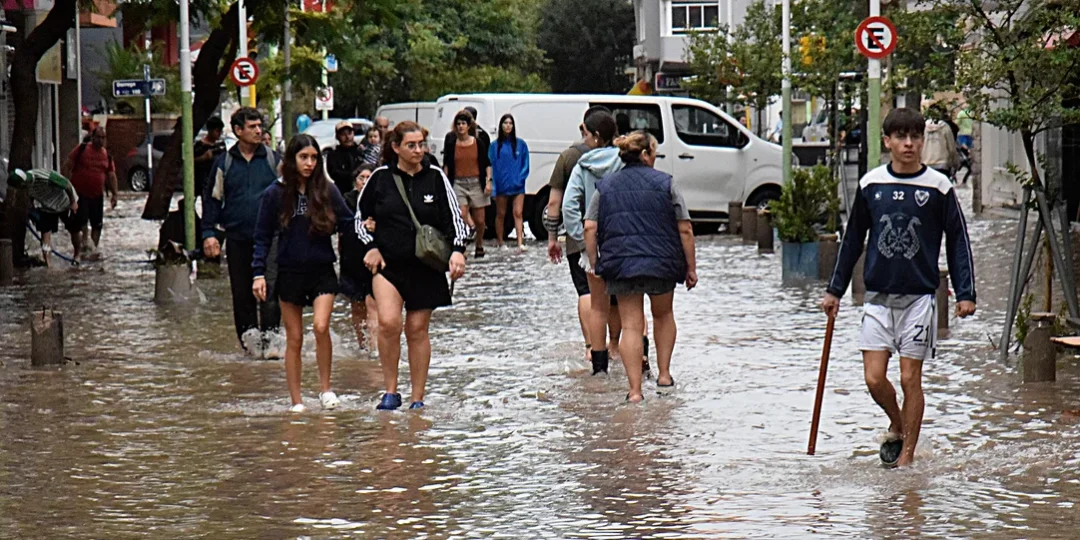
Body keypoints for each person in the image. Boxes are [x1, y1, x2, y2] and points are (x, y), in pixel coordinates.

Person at [822, 107, 977, 468]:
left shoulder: (939, 187)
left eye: (915, 137)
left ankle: (906, 461)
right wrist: (834, 290)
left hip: (920, 298)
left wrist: (965, 293)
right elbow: (852, 240)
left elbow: (958, 240)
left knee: (910, 377)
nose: (909, 144)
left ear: (923, 141)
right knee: (874, 378)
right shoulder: (871, 185)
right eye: (901, 137)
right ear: (888, 142)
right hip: (877, 297)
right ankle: (897, 422)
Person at [354, 121, 467, 410]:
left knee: (417, 329)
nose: (418, 151)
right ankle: (390, 391)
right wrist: (370, 247)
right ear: (396, 147)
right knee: (389, 323)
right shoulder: (380, 178)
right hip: (388, 264)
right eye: (411, 145)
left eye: (421, 145)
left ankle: (418, 398)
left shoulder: (436, 178)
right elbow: (359, 218)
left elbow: (455, 219)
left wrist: (458, 251)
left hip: (426, 266)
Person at [584, 131, 698, 402]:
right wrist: (691, 267)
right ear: (646, 154)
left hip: (621, 263)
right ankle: (664, 376)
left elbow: (589, 227)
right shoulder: (666, 183)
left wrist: (596, 262)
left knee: (631, 325)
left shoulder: (606, 186)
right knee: (663, 315)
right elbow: (685, 229)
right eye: (654, 152)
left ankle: (635, 392)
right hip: (662, 262)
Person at [253, 134, 353, 413]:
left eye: (314, 158)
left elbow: (348, 222)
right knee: (294, 337)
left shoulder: (327, 190)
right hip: (289, 271)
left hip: (322, 269)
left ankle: (326, 389)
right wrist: (258, 273)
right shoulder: (275, 193)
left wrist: (367, 233)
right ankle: (296, 401)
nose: (309, 163)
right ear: (292, 159)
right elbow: (261, 236)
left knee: (321, 326)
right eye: (303, 157)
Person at [202, 107, 283, 355]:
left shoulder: (274, 160)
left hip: (271, 238)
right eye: (252, 127)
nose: (258, 131)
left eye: (260, 126)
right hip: (237, 238)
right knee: (242, 295)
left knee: (270, 291)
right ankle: (250, 349)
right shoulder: (224, 163)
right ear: (238, 130)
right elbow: (212, 199)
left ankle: (271, 347)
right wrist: (209, 233)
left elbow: (294, 193)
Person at [545, 105, 611, 362]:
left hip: (579, 238)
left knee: (587, 292)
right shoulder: (621, 156)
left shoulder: (569, 157)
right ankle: (619, 347)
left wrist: (553, 238)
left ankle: (591, 348)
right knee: (620, 298)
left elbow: (555, 203)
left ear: (586, 129)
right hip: (615, 236)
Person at [563, 110, 626, 375]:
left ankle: (599, 369)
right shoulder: (626, 160)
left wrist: (581, 239)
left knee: (598, 307)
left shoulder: (583, 166)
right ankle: (633, 357)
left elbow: (568, 207)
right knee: (629, 305)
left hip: (594, 244)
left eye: (586, 134)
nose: (584, 139)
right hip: (624, 242)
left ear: (597, 136)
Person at [59, 127, 118, 261]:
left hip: (97, 196)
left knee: (97, 224)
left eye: (103, 138)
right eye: (98, 137)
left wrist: (115, 194)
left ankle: (93, 250)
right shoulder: (82, 149)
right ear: (93, 137)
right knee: (78, 224)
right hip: (80, 194)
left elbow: (111, 175)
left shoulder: (107, 156)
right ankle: (79, 250)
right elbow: (67, 166)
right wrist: (64, 186)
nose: (101, 140)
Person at [340, 163, 379, 352]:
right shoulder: (346, 200)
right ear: (355, 181)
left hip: (375, 257)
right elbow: (341, 225)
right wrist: (360, 225)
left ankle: (374, 347)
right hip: (352, 259)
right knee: (357, 305)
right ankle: (362, 345)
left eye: (368, 178)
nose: (364, 181)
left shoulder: (380, 199)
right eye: (361, 178)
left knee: (373, 303)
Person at [442, 110, 491, 257]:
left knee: (480, 220)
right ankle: (462, 244)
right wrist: (445, 181)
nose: (461, 126)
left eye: (463, 123)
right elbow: (447, 164)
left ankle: (479, 244)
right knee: (461, 214)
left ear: (469, 126)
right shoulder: (451, 143)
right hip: (458, 182)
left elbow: (486, 163)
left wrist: (489, 181)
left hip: (476, 182)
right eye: (458, 124)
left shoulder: (478, 143)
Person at [489, 114, 530, 251]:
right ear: (501, 125)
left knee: (518, 213)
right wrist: (493, 186)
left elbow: (526, 164)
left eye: (510, 123)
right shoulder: (494, 146)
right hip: (501, 186)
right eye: (505, 123)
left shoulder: (521, 144)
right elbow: (491, 166)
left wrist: (520, 179)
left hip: (518, 186)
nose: (508, 125)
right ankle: (500, 241)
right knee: (501, 214)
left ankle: (520, 242)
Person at [324, 121, 364, 194]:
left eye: (349, 133)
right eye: (343, 134)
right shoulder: (333, 155)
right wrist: (352, 175)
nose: (347, 137)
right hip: (342, 192)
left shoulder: (360, 151)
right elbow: (335, 173)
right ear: (337, 137)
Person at [194, 116, 227, 199]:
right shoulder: (200, 146)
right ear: (210, 130)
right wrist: (203, 158)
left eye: (221, 131)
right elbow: (191, 162)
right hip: (204, 181)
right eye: (217, 131)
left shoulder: (220, 146)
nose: (219, 133)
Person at [922, 113, 959, 178]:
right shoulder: (945, 127)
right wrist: (955, 163)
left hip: (926, 164)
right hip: (942, 165)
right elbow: (951, 148)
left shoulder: (923, 127)